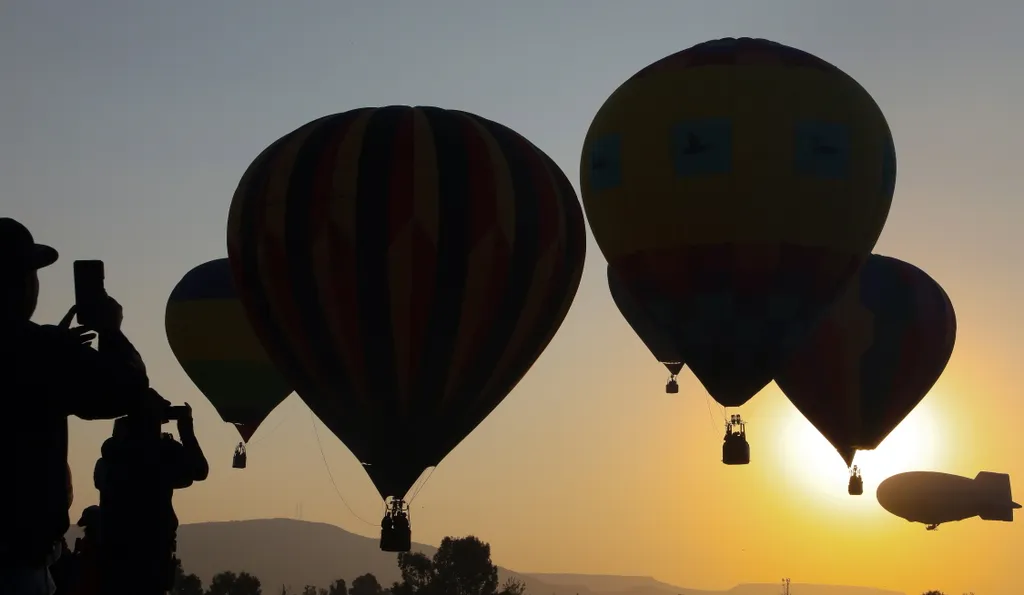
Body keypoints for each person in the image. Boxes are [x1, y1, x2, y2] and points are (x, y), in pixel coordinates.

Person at [0, 217, 165, 595]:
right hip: (16, 566)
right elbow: (125, 389)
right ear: (24, 282)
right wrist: (109, 330)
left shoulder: (38, 350)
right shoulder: (37, 351)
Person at [95, 400, 209, 595]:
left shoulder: (113, 455)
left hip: (114, 555)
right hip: (152, 554)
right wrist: (185, 428)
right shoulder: (160, 454)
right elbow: (199, 470)